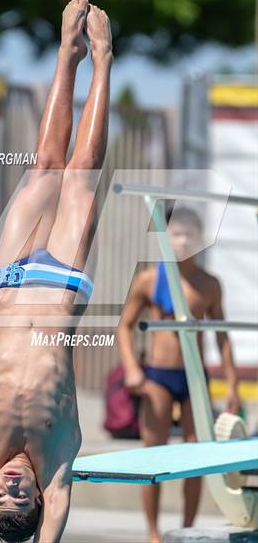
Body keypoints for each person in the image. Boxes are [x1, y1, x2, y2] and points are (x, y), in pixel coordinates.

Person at [0, 0, 113, 543]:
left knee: (45, 165)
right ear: (40, 499)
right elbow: (56, 509)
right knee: (80, 173)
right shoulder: (57, 455)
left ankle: (64, 55)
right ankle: (101, 59)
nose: (7, 487)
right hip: (63, 286)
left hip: (13, 279)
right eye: (17, 498)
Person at [117, 206, 241, 543]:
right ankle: (153, 531)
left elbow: (222, 336)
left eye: (190, 234)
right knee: (152, 453)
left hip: (194, 379)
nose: (183, 241)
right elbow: (124, 327)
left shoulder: (209, 284)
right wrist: (131, 369)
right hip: (158, 378)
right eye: (176, 234)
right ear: (164, 238)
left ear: (201, 240)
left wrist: (232, 385)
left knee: (196, 455)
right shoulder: (150, 279)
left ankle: (186, 528)